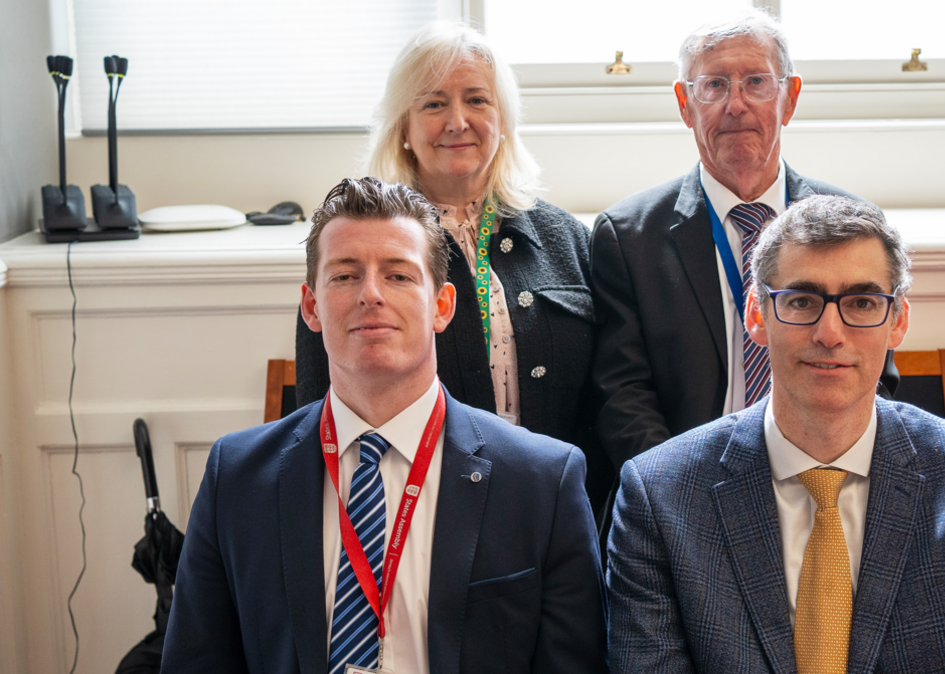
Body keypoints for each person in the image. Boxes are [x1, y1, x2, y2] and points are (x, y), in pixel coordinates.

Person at [163, 178, 607, 674]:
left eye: (398, 276)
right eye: (345, 276)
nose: (370, 294)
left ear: (442, 306)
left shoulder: (542, 482)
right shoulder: (238, 478)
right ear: (311, 307)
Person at [606, 195, 945, 673]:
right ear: (757, 314)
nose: (830, 332)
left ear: (898, 320)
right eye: (802, 301)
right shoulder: (660, 497)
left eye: (862, 302)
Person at [296, 22, 610, 519]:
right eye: (433, 103)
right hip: (420, 517)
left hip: (558, 507)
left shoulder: (567, 238)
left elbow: (607, 397)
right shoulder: (360, 245)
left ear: (503, 118)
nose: (457, 121)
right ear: (403, 126)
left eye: (478, 101)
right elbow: (320, 408)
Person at [591, 11, 897, 482]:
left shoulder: (857, 229)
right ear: (684, 104)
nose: (736, 105)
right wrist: (678, 494)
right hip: (687, 482)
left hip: (822, 475)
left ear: (790, 98)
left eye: (756, 82)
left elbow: (876, 377)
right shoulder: (629, 236)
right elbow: (623, 397)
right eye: (714, 85)